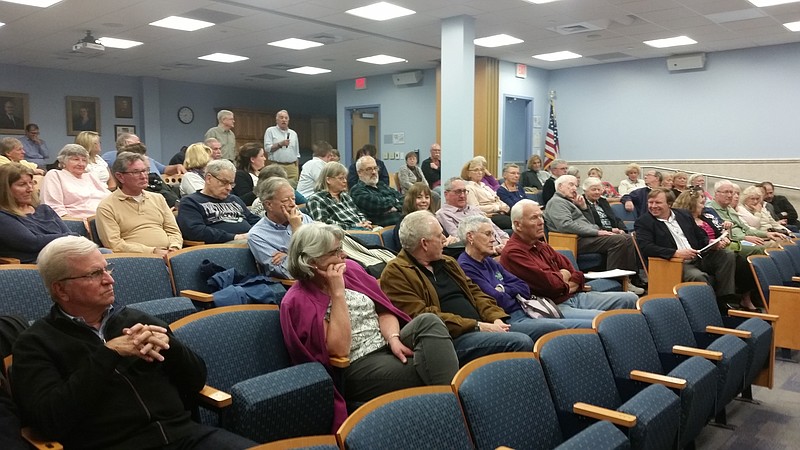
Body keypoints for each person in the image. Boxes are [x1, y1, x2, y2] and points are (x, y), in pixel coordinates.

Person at [11, 236, 256, 449]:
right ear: (61, 290)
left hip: (185, 436)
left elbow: (196, 381)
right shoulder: (36, 343)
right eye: (95, 274)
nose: (109, 280)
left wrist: (172, 348)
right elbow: (50, 420)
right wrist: (107, 354)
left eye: (107, 269)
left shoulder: (137, 320)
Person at [280, 223, 459, 430]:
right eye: (335, 252)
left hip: (387, 340)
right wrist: (337, 293)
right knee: (436, 366)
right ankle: (454, 417)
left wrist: (393, 338)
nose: (344, 255)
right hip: (357, 365)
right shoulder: (298, 300)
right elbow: (339, 349)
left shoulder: (351, 271)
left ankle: (448, 412)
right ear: (312, 261)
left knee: (429, 321)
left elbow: (384, 310)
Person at [380, 210, 535, 365]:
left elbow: (475, 292)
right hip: (451, 339)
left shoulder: (448, 262)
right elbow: (423, 317)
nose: (445, 239)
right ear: (424, 244)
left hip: (484, 326)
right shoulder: (396, 273)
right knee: (521, 342)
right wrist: (477, 326)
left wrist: (495, 318)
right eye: (439, 235)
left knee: (546, 334)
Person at [500, 200, 638, 320]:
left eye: (541, 216)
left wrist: (565, 279)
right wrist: (565, 277)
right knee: (607, 318)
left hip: (572, 296)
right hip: (553, 305)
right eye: (534, 218)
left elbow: (574, 271)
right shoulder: (514, 252)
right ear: (518, 225)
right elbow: (550, 286)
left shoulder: (540, 245)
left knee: (630, 298)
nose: (541, 222)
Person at [456, 215, 593, 329]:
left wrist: (503, 289)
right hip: (509, 319)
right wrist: (508, 290)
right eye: (487, 234)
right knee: (575, 327)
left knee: (596, 321)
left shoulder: (489, 261)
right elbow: (495, 298)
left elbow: (523, 287)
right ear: (470, 237)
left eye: (493, 234)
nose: (493, 239)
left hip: (527, 310)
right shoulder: (465, 266)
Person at [634, 188, 740, 307]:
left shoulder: (683, 215)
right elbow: (647, 248)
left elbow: (700, 236)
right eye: (650, 202)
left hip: (698, 255)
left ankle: (725, 300)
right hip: (673, 263)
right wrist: (676, 253)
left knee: (727, 255)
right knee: (697, 276)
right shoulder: (644, 222)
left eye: (658, 203)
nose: (653, 206)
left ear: (669, 203)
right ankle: (709, 308)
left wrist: (711, 243)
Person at [543, 175, 642, 294]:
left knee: (627, 238)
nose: (575, 188)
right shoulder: (557, 202)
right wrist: (597, 232)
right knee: (618, 240)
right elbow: (565, 225)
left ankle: (628, 280)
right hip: (572, 240)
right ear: (560, 186)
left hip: (585, 236)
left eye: (575, 185)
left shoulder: (570, 202)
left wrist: (584, 208)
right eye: (571, 185)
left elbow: (589, 223)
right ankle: (614, 282)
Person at [672, 188, 760, 310]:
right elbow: (697, 242)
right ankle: (723, 301)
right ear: (691, 204)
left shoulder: (705, 217)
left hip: (715, 250)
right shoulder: (684, 221)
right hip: (700, 254)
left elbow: (717, 233)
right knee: (730, 257)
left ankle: (743, 298)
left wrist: (722, 238)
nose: (704, 206)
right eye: (701, 203)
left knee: (744, 263)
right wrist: (713, 244)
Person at [96, 152, 183, 256]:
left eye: (145, 170)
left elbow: (173, 231)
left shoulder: (158, 198)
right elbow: (114, 244)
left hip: (170, 254)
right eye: (136, 172)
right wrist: (153, 251)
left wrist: (174, 247)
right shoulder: (107, 207)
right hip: (137, 261)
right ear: (120, 177)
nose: (144, 176)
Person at [0, 163, 73, 263]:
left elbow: (70, 236)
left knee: (101, 253)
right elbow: (33, 243)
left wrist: (70, 237)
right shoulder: (3, 216)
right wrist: (69, 237)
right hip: (37, 265)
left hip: (64, 256)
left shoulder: (44, 210)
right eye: (22, 184)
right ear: (5, 189)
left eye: (31, 183)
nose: (30, 189)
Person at [178, 159, 260, 244]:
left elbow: (255, 220)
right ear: (208, 178)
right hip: (220, 246)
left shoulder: (234, 199)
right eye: (224, 182)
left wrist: (254, 233)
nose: (229, 188)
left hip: (249, 240)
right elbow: (195, 231)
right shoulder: (190, 202)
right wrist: (234, 237)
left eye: (231, 183)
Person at [248, 177, 313, 278]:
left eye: (293, 199)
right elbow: (287, 272)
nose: (293, 205)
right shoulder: (257, 235)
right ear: (269, 204)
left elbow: (326, 252)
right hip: (294, 286)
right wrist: (297, 229)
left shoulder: (304, 218)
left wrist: (289, 256)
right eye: (286, 200)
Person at [708, 180, 784, 256]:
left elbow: (746, 229)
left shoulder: (729, 209)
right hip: (731, 243)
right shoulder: (710, 210)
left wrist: (767, 234)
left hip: (744, 239)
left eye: (731, 192)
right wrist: (744, 238)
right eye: (726, 192)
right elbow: (722, 235)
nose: (730, 195)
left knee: (780, 241)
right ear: (716, 193)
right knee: (761, 248)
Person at [436, 177, 508, 251]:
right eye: (458, 192)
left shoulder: (474, 209)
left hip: (501, 248)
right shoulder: (443, 214)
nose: (462, 195)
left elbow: (494, 227)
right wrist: (494, 249)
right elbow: (461, 240)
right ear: (446, 194)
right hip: (483, 253)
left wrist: (505, 241)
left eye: (464, 191)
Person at [40, 144, 110, 218]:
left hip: (104, 217)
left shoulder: (91, 176)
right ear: (63, 161)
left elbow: (110, 198)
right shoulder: (55, 175)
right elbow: (53, 206)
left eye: (84, 160)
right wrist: (75, 222)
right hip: (77, 222)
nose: (81, 164)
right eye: (76, 159)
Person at [306, 161, 374, 230]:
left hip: (362, 230)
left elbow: (358, 213)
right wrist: (355, 226)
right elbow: (323, 224)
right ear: (328, 180)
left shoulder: (345, 196)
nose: (345, 181)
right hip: (342, 235)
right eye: (341, 178)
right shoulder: (316, 199)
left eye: (345, 178)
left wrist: (364, 221)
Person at [350, 155, 403, 227]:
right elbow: (380, 205)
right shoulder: (357, 191)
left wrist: (395, 207)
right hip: (385, 228)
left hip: (402, 223)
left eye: (375, 168)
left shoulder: (381, 185)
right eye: (369, 169)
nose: (374, 172)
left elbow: (404, 199)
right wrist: (395, 201)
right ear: (360, 172)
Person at [462, 157, 511, 229]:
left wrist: (505, 206)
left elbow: (497, 199)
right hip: (489, 216)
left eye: (481, 170)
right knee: (517, 225)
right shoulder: (469, 187)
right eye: (476, 170)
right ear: (468, 173)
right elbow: (475, 208)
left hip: (501, 212)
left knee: (522, 219)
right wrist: (497, 208)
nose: (480, 172)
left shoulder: (485, 186)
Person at [264, 110, 300, 184]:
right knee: (277, 187)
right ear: (277, 120)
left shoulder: (293, 133)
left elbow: (297, 153)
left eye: (286, 118)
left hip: (292, 167)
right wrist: (280, 144)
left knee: (293, 189)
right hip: (277, 166)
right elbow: (267, 149)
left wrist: (296, 168)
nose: (284, 120)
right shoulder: (270, 131)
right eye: (281, 118)